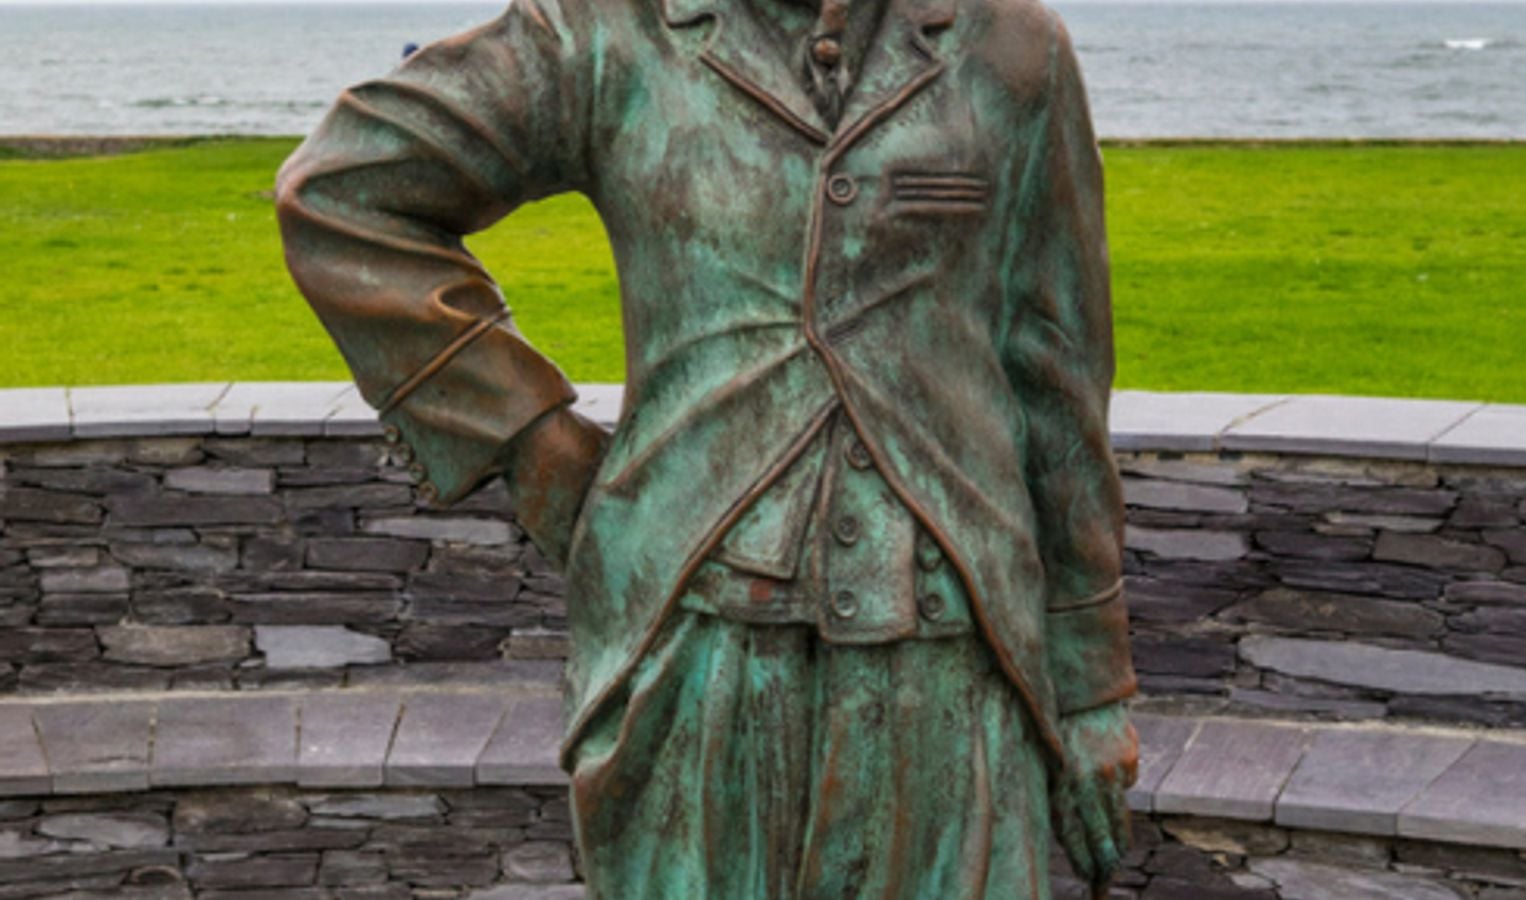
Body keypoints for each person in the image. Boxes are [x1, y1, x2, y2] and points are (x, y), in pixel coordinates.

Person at [276, 0, 1138, 894]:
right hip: (693, 650)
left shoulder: (1013, 46)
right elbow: (344, 190)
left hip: (950, 653)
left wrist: (1091, 680)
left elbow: (1058, 365)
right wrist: (532, 441)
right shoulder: (602, 33)